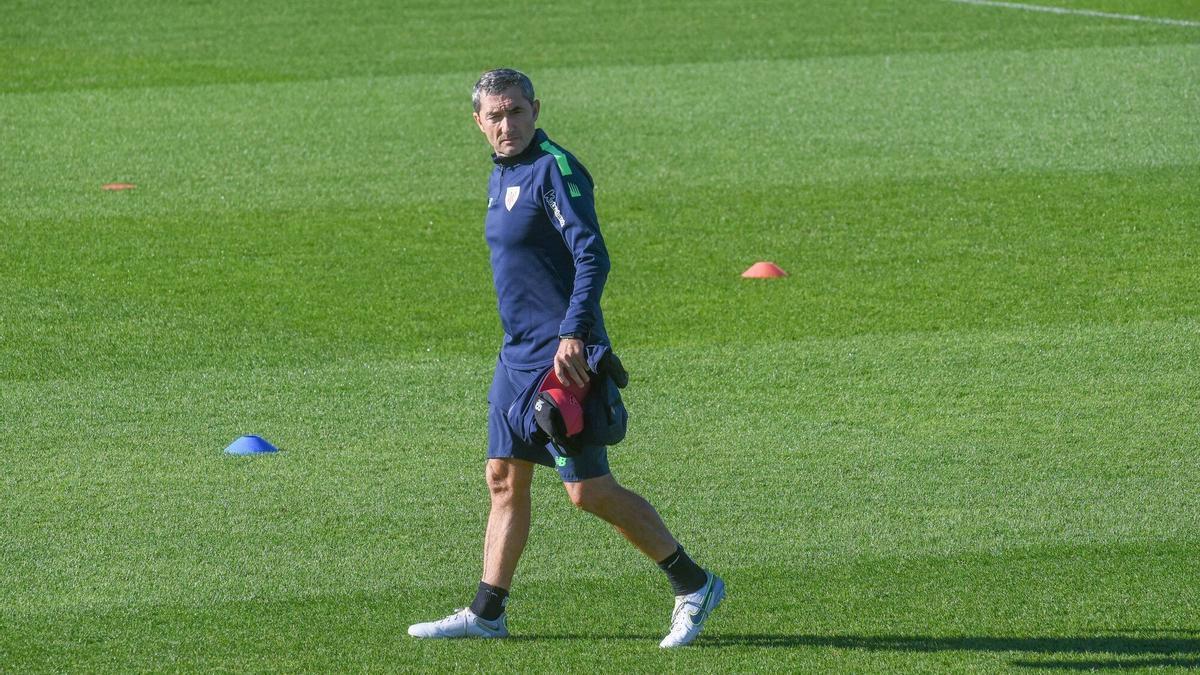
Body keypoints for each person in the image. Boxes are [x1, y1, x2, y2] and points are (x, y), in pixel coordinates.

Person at [407, 68, 724, 648]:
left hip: (564, 359)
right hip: (516, 356)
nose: (508, 124)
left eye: (517, 112)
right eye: (495, 116)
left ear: (535, 109)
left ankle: (694, 584)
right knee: (503, 479)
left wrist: (574, 333)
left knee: (587, 490)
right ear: (478, 122)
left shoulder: (555, 168)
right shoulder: (504, 172)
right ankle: (487, 612)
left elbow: (592, 256)